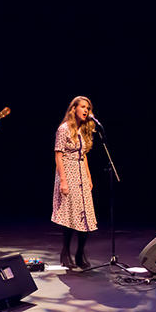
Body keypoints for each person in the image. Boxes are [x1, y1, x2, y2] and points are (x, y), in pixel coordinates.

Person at [51, 96, 98, 269]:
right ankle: (65, 252)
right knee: (71, 216)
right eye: (83, 107)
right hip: (68, 173)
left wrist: (89, 176)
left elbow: (83, 155)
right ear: (74, 109)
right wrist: (63, 180)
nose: (86, 110)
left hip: (81, 175)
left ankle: (80, 252)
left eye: (88, 108)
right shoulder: (64, 129)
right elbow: (58, 154)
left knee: (85, 216)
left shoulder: (83, 129)